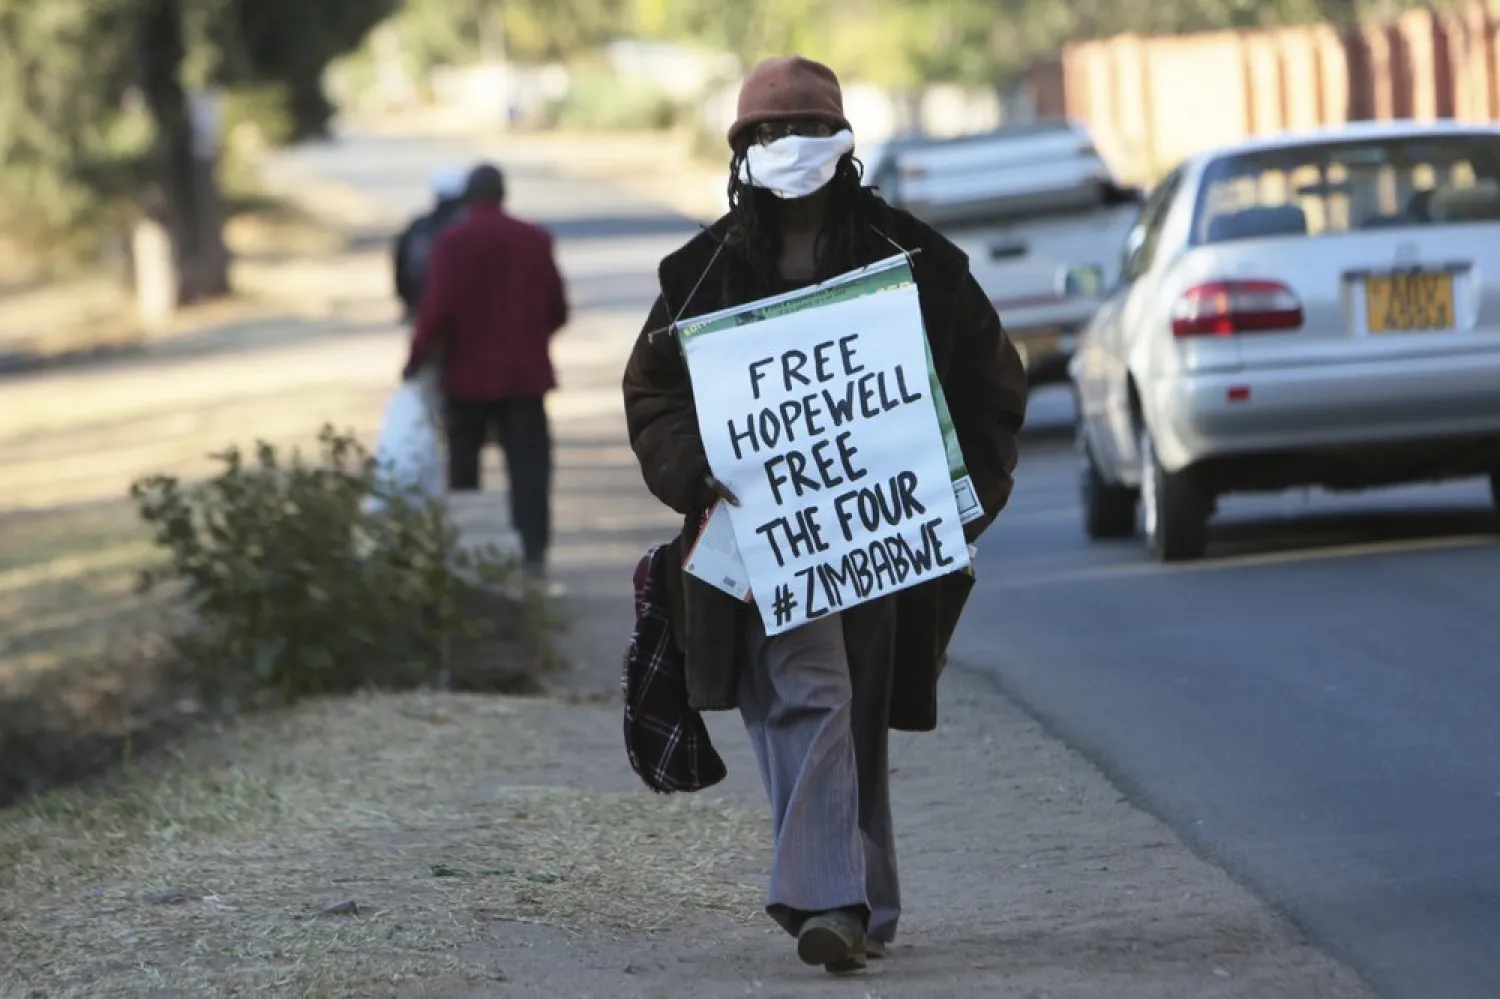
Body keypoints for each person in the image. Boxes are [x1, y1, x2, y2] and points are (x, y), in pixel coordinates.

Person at [622, 55, 1028, 974]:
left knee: (852, 711)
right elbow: (651, 393)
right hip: (752, 542)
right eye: (768, 133)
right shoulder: (700, 275)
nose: (788, 147)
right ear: (741, 151)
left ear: (844, 144)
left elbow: (990, 379)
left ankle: (866, 902)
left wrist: (957, 498)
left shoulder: (913, 260)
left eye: (806, 129)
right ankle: (828, 900)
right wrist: (692, 471)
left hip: (882, 541)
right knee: (814, 697)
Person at [403, 163, 569, 577]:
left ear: (468, 197)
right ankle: (533, 558)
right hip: (524, 378)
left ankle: (468, 559)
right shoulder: (534, 238)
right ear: (502, 193)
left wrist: (415, 362)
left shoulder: (451, 242)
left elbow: (435, 312)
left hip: (465, 378)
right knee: (529, 473)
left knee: (463, 471)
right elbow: (557, 309)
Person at [393, 167, 470, 321]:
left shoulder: (419, 227)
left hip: (425, 307)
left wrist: (409, 302)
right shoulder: (470, 227)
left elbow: (401, 266)